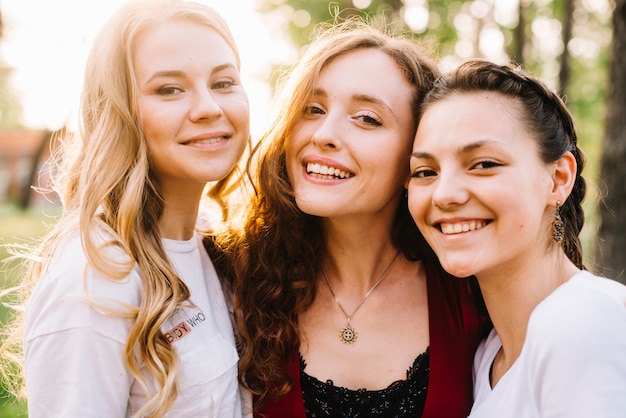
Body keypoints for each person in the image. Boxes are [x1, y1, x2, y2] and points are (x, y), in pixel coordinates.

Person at [220, 21, 491, 417]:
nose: (323, 134)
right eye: (312, 109)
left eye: (366, 118)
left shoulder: (472, 291)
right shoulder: (237, 280)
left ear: (415, 157)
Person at [0, 0, 252, 416]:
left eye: (223, 83)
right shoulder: (95, 278)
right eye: (169, 89)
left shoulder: (212, 244)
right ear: (118, 111)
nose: (210, 107)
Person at [407, 59, 626, 417]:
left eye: (484, 163)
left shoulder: (580, 322)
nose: (444, 195)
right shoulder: (488, 355)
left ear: (558, 179)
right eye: (425, 171)